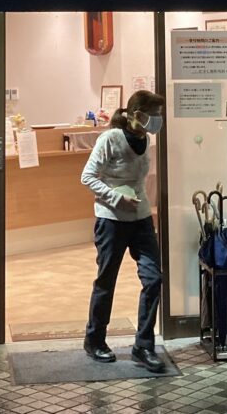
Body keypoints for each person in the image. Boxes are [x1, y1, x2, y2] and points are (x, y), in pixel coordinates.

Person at [80, 89, 165, 372]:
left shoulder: (146, 138)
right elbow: (87, 176)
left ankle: (143, 346)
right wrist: (116, 197)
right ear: (137, 114)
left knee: (153, 278)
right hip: (111, 220)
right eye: (154, 114)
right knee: (107, 281)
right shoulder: (111, 139)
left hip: (141, 219)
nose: (158, 120)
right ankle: (94, 340)